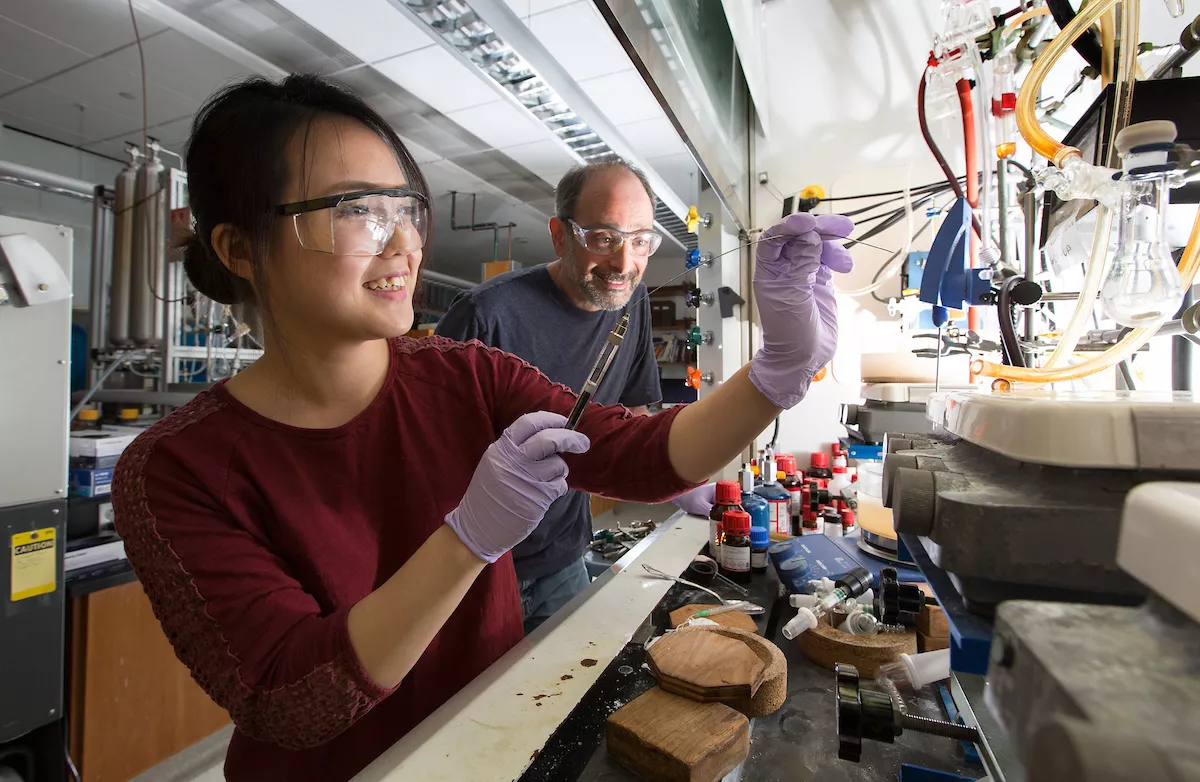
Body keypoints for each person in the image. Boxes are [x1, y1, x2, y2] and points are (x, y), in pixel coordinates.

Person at [110, 74, 852, 782]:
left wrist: (774, 374)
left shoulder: (465, 375)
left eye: (404, 209)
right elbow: (290, 698)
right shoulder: (175, 469)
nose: (401, 242)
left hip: (491, 744)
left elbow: (641, 455)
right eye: (355, 211)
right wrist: (466, 540)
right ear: (241, 249)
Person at [436, 159, 714, 634]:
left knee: (566, 697)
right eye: (603, 238)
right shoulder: (485, 315)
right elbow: (426, 457)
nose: (624, 264)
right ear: (560, 235)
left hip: (564, 553)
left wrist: (675, 479)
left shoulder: (633, 300)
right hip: (476, 567)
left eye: (640, 240)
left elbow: (636, 412)